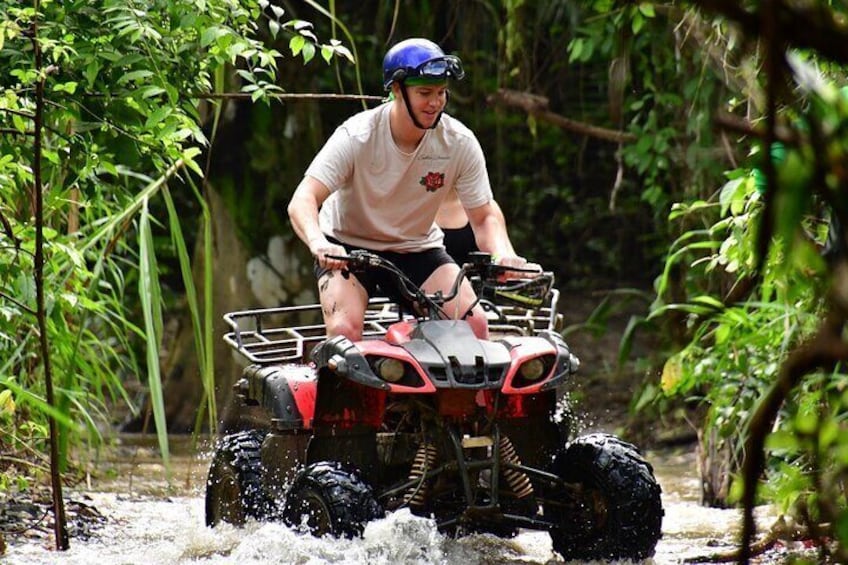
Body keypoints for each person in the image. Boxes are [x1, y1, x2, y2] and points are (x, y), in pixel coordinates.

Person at [287, 37, 535, 341]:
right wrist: (318, 242)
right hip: (348, 248)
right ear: (396, 90)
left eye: (442, 93)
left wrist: (503, 255)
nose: (435, 103)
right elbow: (304, 198)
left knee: (475, 327)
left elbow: (483, 216)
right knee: (344, 333)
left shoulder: (459, 142)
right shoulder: (357, 135)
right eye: (425, 93)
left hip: (416, 247)